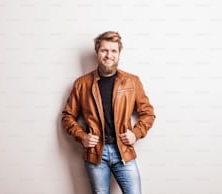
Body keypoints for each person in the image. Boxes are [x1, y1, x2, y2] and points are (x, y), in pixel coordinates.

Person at [61, 31, 156, 194]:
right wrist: (82, 136)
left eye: (113, 51)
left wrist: (136, 133)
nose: (108, 55)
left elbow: (148, 113)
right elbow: (68, 117)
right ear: (97, 52)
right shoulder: (81, 84)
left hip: (124, 152)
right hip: (96, 154)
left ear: (119, 54)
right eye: (104, 50)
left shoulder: (132, 81)